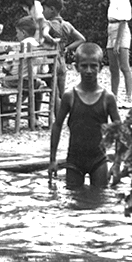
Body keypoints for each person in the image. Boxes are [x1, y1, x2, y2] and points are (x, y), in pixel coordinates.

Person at [48, 43, 122, 190]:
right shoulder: (70, 96)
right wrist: (52, 160)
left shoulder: (108, 98)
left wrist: (117, 163)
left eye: (93, 66)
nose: (89, 71)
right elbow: (57, 126)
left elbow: (119, 130)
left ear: (101, 67)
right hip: (74, 160)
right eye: (84, 66)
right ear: (76, 67)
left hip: (99, 159)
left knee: (100, 195)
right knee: (73, 196)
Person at [103, 0, 132, 103]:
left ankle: (128, 97)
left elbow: (123, 20)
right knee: (113, 67)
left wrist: (117, 43)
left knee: (124, 66)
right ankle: (114, 96)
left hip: (121, 31)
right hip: (111, 29)